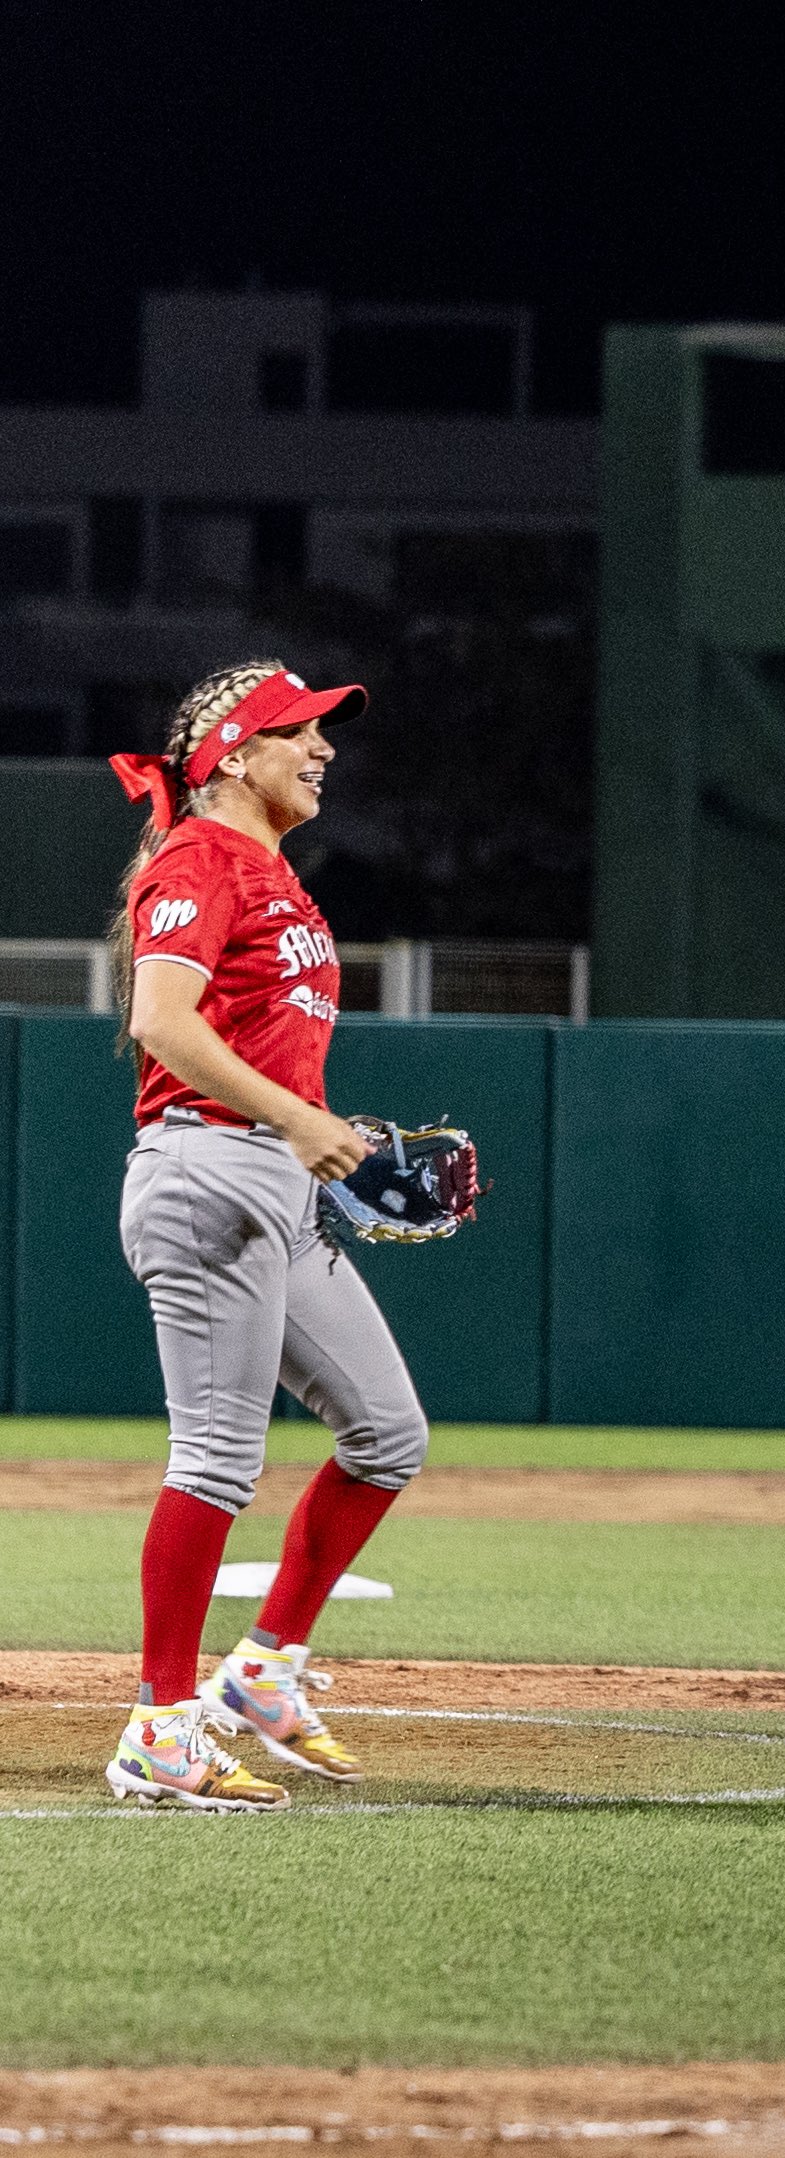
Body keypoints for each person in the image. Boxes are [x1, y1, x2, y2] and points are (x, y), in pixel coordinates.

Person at [100, 660, 430, 1811]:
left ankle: (266, 1667)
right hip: (208, 1171)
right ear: (235, 755)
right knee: (216, 1461)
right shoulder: (199, 858)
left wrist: (320, 1134)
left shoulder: (271, 871)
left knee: (387, 1435)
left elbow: (259, 1042)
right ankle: (158, 1723)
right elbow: (158, 1021)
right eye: (300, 731)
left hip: (268, 1172)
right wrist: (301, 1122)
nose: (324, 747)